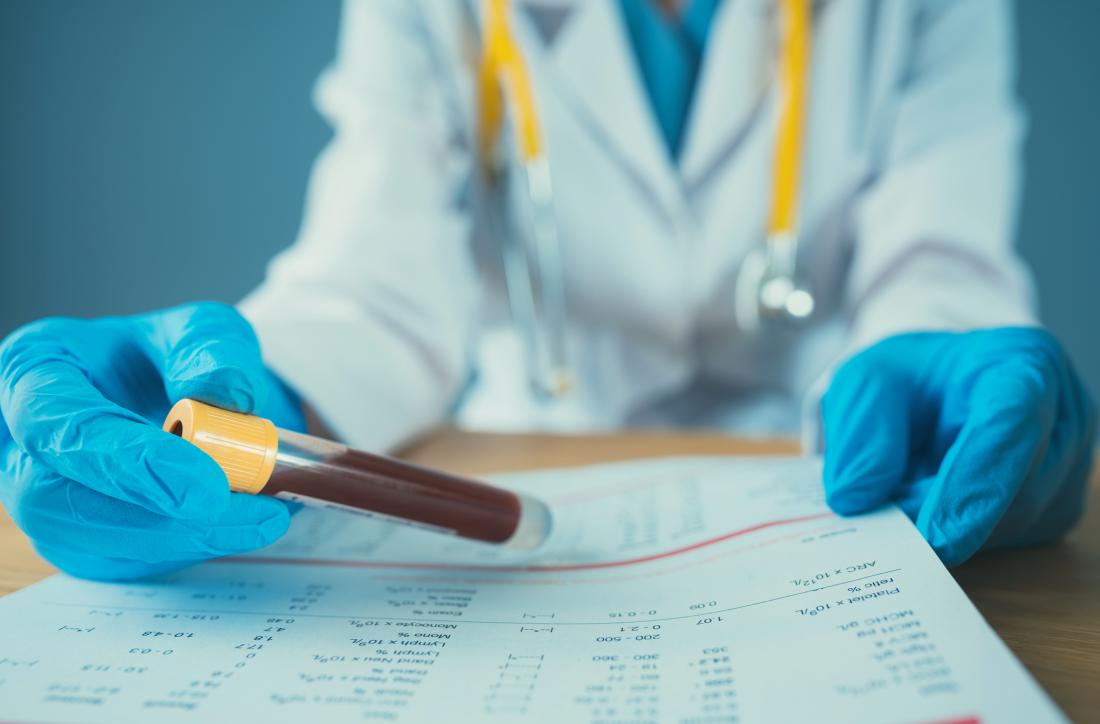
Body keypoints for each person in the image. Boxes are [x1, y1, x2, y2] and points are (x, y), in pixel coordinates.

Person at [0, 0, 1093, 580]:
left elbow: (935, 265)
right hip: (527, 464)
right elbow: (374, 290)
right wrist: (242, 406)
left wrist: (944, 367)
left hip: (823, 482)